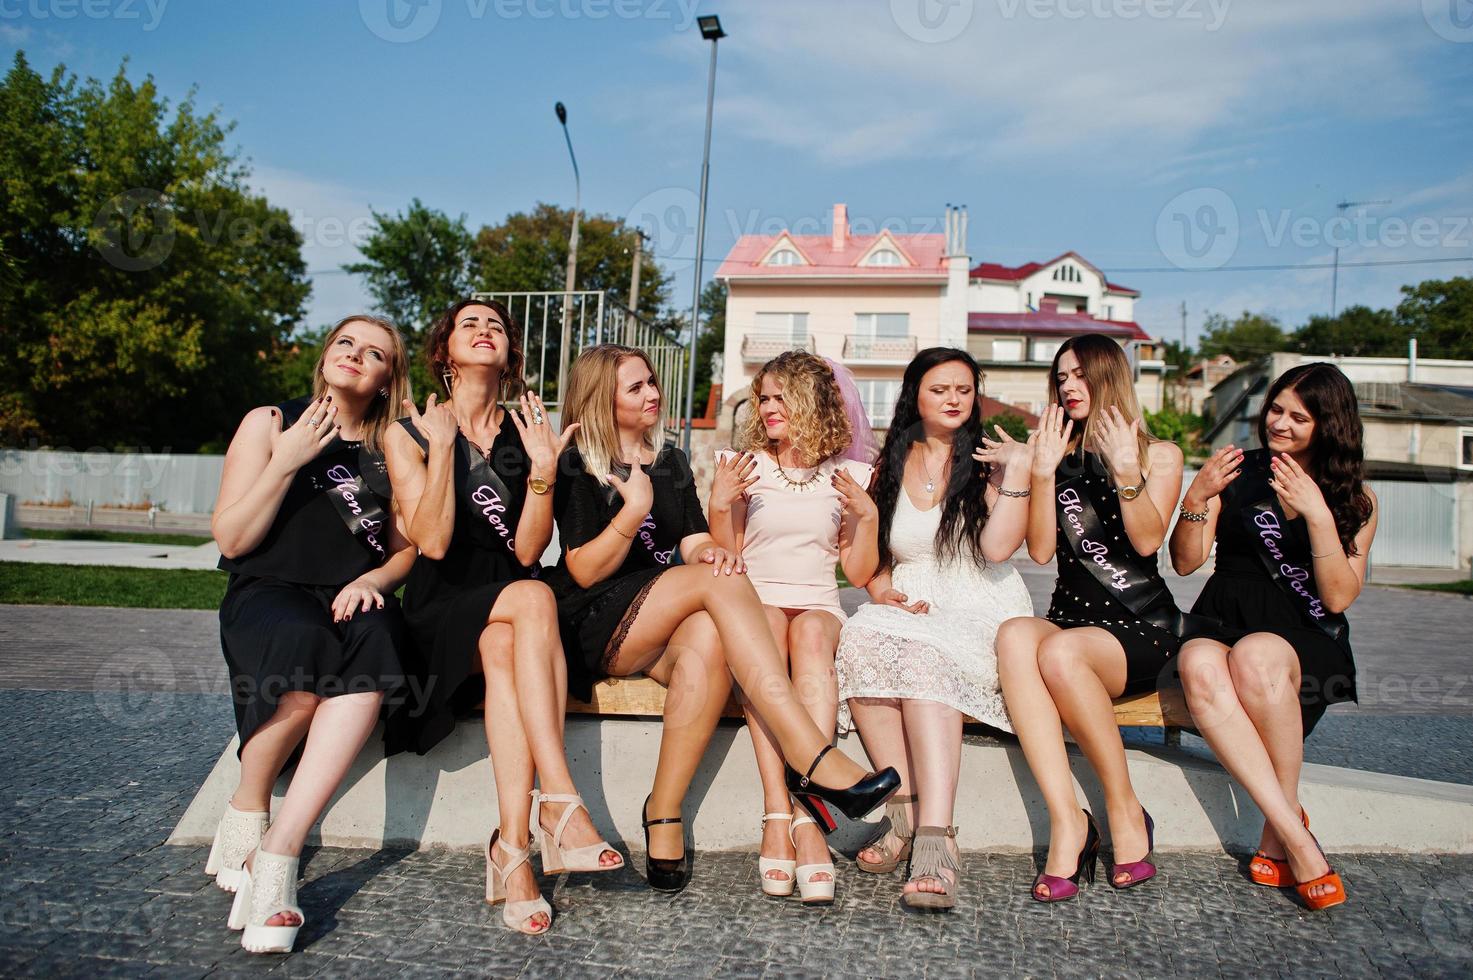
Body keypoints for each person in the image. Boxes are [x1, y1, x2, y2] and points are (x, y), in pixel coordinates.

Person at [547, 343, 900, 893]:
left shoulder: (668, 460)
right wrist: (634, 512)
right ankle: (812, 754)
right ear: (601, 399)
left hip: (659, 618)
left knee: (713, 627)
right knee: (724, 583)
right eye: (637, 386)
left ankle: (663, 808)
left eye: (652, 382)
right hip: (595, 619)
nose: (654, 394)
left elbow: (691, 542)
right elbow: (584, 570)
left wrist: (712, 552)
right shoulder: (577, 461)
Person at [383, 299, 621, 936]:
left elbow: (523, 551)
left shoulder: (527, 432)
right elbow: (430, 542)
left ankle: (513, 854)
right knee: (533, 597)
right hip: (441, 608)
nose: (486, 330)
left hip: (509, 615)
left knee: (509, 630)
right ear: (444, 352)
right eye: (471, 324)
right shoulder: (409, 432)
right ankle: (563, 803)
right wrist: (439, 451)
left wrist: (543, 474)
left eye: (497, 326)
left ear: (510, 352)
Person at [209, 314, 415, 953]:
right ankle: (249, 798)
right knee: (303, 644)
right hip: (269, 594)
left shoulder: (392, 449)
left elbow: (408, 548)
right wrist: (287, 461)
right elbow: (233, 538)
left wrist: (376, 580)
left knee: (378, 636)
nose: (356, 355)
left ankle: (277, 859)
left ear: (386, 380)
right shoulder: (270, 422)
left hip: (351, 597)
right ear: (326, 355)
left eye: (375, 353)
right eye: (346, 343)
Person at [1170, 362, 1376, 912]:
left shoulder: (1356, 497)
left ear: (1330, 425)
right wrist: (1197, 495)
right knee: (1198, 666)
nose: (1279, 423)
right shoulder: (1237, 469)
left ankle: (1281, 836)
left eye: (1298, 417)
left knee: (1259, 655)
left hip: (1304, 630)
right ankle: (1294, 830)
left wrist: (1317, 515)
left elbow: (1336, 598)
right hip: (1223, 612)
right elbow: (1186, 563)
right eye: (1276, 410)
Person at [835, 347, 1034, 911]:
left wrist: (1015, 474)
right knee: (861, 639)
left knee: (924, 659)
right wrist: (881, 590)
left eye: (963, 390)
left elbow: (998, 549)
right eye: (940, 388)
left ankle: (936, 836)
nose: (953, 399)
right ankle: (902, 811)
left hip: (979, 598)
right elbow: (869, 564)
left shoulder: (990, 459)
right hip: (913, 598)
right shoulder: (888, 463)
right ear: (915, 395)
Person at [994, 333, 1186, 903]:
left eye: (1079, 375)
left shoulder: (1160, 454)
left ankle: (1124, 808)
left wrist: (1127, 469)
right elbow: (1041, 552)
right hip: (1071, 620)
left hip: (1140, 627)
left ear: (1109, 377)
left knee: (1059, 652)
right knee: (1013, 635)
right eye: (1061, 378)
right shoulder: (1053, 450)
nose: (1068, 386)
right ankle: (1069, 819)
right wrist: (1043, 473)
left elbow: (1149, 539)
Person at [707, 351, 879, 904]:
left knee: (806, 635)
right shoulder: (742, 464)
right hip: (755, 600)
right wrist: (717, 504)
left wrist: (867, 516)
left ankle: (807, 814)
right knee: (771, 635)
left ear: (813, 401)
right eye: (764, 398)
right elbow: (725, 557)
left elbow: (855, 571)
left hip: (820, 602)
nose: (770, 407)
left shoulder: (851, 475)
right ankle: (779, 813)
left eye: (782, 396)